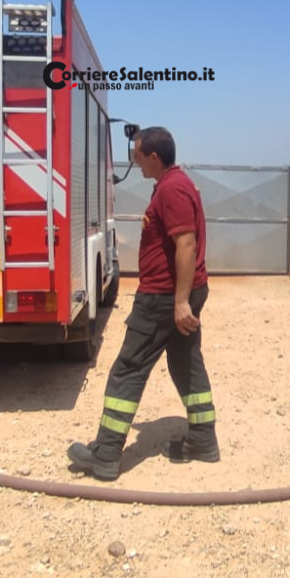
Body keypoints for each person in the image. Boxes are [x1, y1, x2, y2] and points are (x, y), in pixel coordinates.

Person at [68, 126, 217, 481]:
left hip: (163, 298)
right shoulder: (175, 183)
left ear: (153, 156)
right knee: (185, 361)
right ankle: (203, 441)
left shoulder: (172, 189)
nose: (134, 162)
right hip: (176, 294)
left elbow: (186, 244)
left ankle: (105, 455)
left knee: (128, 368)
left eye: (137, 155)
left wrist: (180, 302)